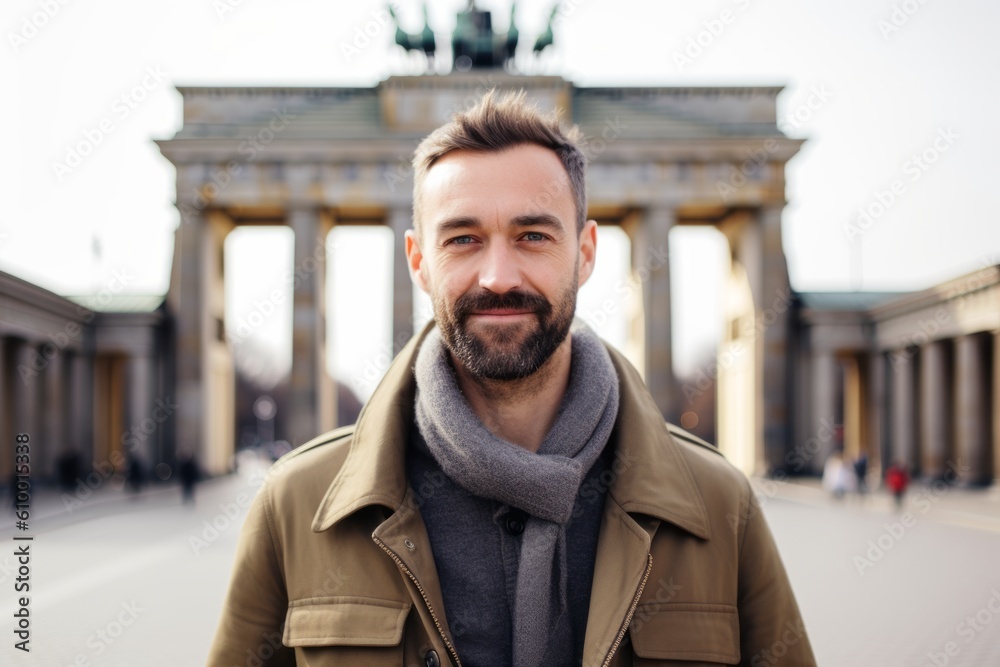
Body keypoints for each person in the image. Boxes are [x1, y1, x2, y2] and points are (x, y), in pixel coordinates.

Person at [207, 91, 816, 666]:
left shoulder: (719, 506)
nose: (498, 276)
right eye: (463, 239)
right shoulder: (295, 505)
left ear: (584, 253)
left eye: (532, 236)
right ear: (418, 261)